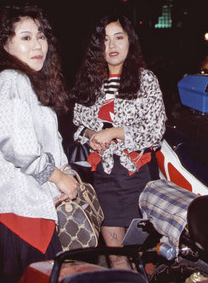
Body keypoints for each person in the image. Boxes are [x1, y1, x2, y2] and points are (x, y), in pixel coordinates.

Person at [0, 4, 78, 283]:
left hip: (32, 206)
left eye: (41, 35)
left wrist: (66, 172)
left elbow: (51, 141)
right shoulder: (11, 80)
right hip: (17, 212)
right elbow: (19, 147)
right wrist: (59, 177)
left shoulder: (31, 83)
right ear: (5, 46)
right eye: (26, 37)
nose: (38, 44)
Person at [69, 14, 167, 269]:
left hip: (139, 176)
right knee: (115, 256)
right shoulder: (90, 82)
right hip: (104, 177)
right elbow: (79, 125)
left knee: (144, 257)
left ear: (130, 42)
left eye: (118, 38)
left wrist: (114, 133)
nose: (112, 46)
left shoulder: (146, 80)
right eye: (104, 40)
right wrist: (92, 136)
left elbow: (156, 130)